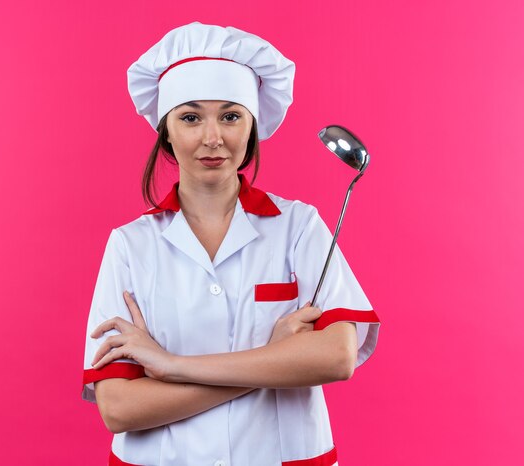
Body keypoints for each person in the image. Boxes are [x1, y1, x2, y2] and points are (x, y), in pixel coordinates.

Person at [82, 22, 380, 466]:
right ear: (166, 131)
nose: (212, 138)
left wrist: (170, 365)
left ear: (251, 126)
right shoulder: (130, 245)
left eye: (230, 115)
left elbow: (337, 357)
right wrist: (273, 361)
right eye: (190, 117)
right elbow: (120, 408)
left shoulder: (299, 226)